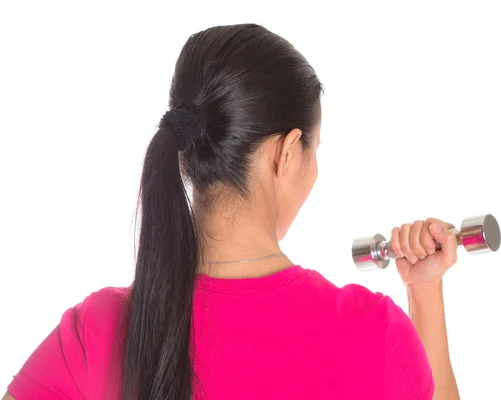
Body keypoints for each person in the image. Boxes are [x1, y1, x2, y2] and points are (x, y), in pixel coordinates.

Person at [3, 24, 460, 400]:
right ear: (286, 152)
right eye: (314, 149)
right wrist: (425, 293)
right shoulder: (372, 332)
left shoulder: (97, 329)